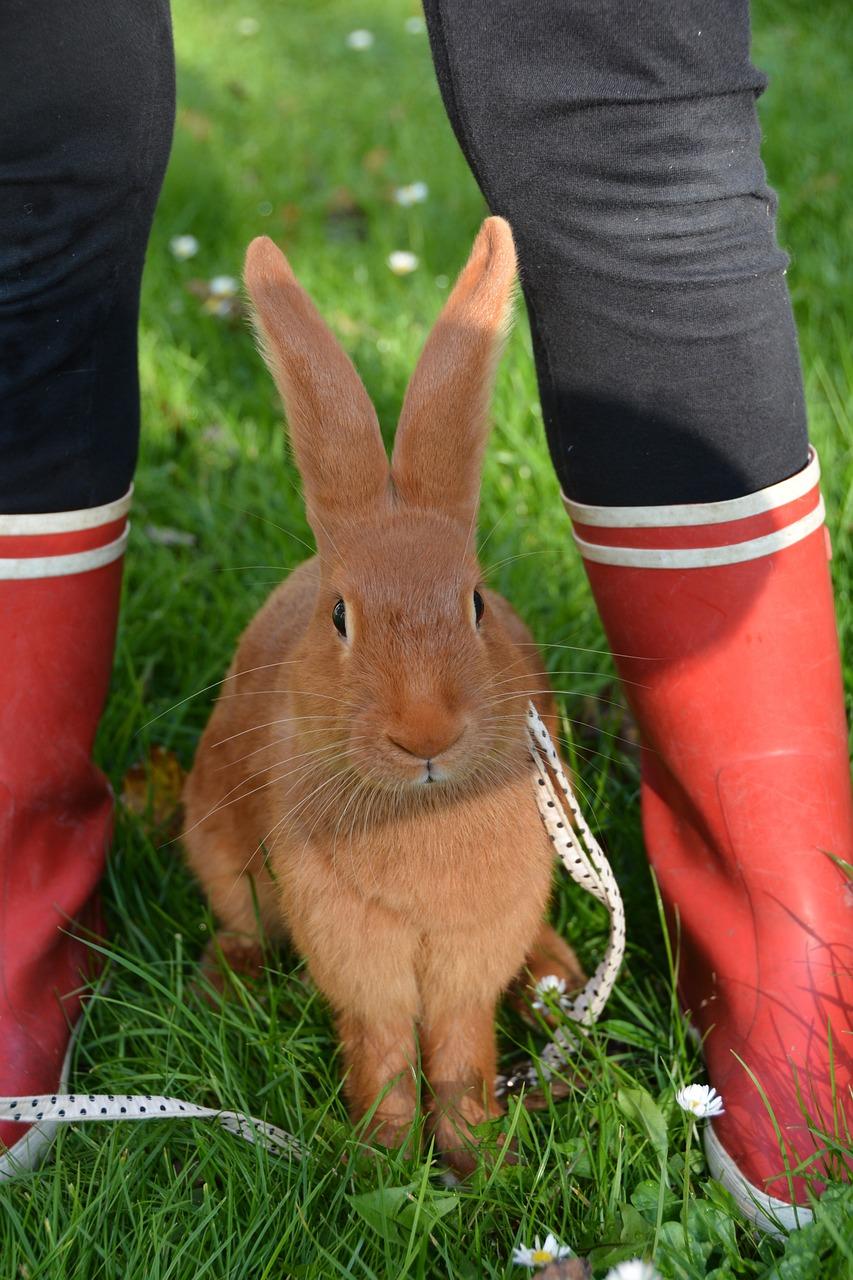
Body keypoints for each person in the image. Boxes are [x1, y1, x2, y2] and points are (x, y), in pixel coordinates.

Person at [1, 0, 849, 1232]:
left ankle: (786, 943)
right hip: (305, 799)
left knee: (628, 97)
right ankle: (19, 904)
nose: (421, 720)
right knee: (22, 114)